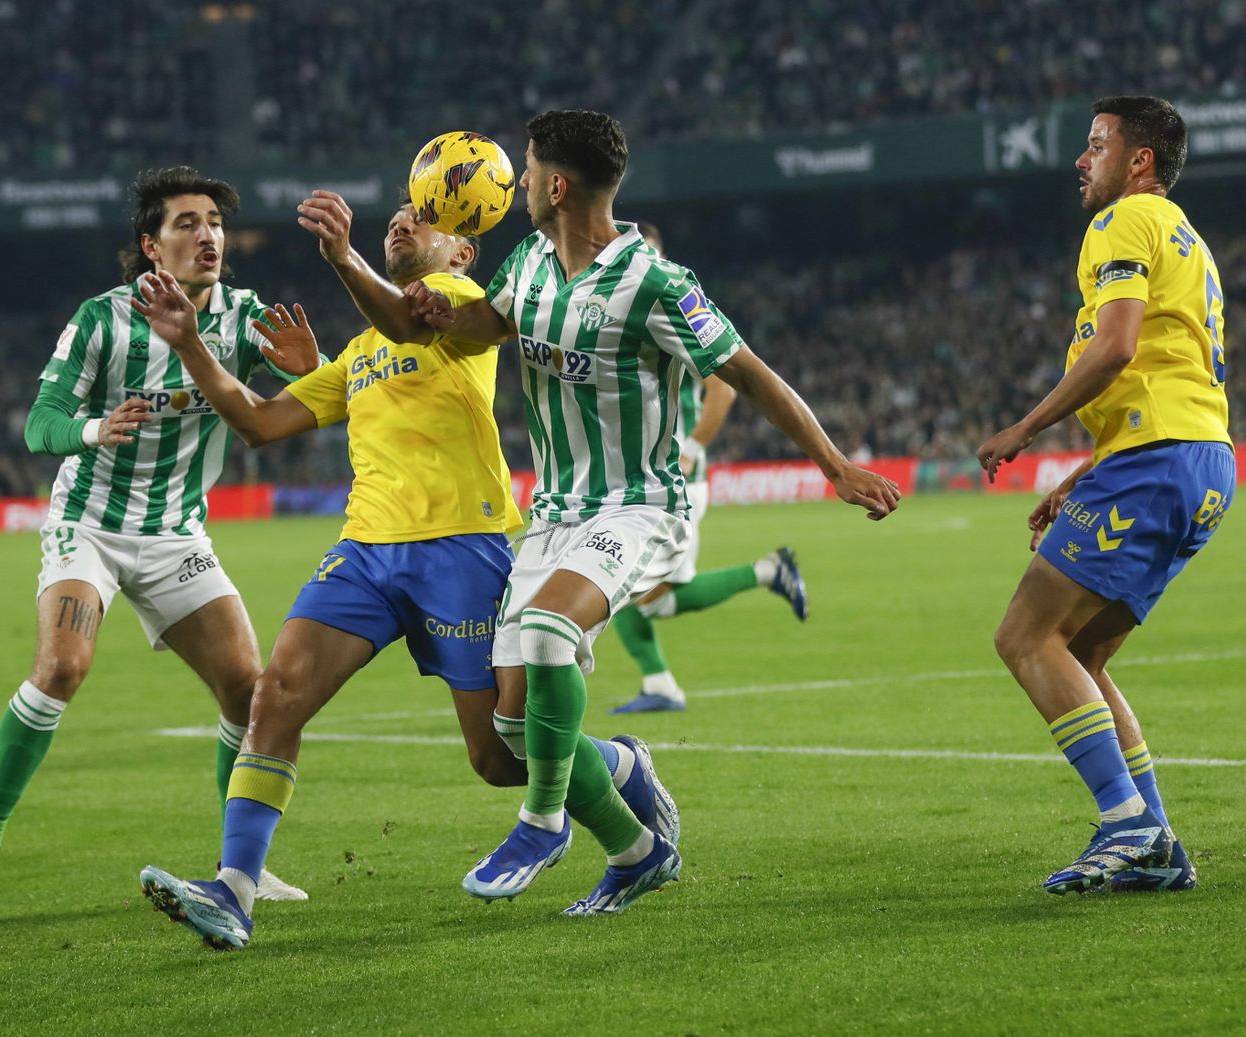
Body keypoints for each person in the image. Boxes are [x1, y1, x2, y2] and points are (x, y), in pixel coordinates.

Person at [300, 109, 901, 917]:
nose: (513, 181)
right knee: (513, 728)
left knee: (547, 637)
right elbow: (427, 323)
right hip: (551, 514)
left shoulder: (656, 282)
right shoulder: (529, 265)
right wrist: (370, 275)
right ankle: (635, 842)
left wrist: (833, 464)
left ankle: (541, 823)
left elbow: (749, 372)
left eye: (525, 167)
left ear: (555, 184)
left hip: (637, 504)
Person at [133, 198, 679, 950]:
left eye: (421, 219)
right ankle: (233, 889)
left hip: (463, 550)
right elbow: (259, 422)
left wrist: (343, 258)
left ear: (460, 253)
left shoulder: (458, 306)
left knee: (499, 754)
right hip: (365, 553)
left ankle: (619, 765)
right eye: (395, 214)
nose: (400, 222)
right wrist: (192, 343)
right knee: (277, 692)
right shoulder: (358, 355)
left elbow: (408, 323)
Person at [0, 167, 314, 917]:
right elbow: (39, 422)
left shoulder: (245, 318)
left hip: (176, 533)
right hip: (91, 526)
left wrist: (313, 372)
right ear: (151, 246)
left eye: (214, 221)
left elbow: (313, 397)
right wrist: (91, 428)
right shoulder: (102, 321)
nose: (207, 234)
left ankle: (239, 863)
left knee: (250, 688)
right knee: (61, 668)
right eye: (186, 223)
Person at [977, 96, 1233, 895]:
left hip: (1157, 463)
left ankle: (1127, 824)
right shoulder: (1188, 239)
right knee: (1081, 652)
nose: (1081, 161)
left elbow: (1119, 346)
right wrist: (1085, 472)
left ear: (1139, 162)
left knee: (1025, 636)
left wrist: (1025, 428)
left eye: (1097, 146)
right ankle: (1155, 841)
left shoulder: (1125, 222)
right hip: (1195, 461)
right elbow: (1170, 365)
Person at [610, 222, 811, 715]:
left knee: (642, 595)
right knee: (619, 585)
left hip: (675, 479)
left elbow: (724, 385)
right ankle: (659, 683)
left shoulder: (671, 304)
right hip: (638, 479)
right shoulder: (616, 312)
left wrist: (694, 448)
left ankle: (767, 571)